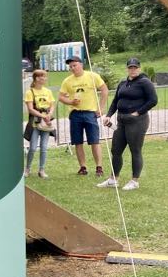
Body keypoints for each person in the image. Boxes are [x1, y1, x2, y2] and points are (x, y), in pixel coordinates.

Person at [99, 57, 158, 190]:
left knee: (135, 150)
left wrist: (138, 112)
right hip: (121, 121)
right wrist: (108, 115)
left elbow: (153, 100)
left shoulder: (145, 82)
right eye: (130, 67)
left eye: (135, 67)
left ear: (139, 68)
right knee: (116, 150)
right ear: (127, 69)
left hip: (137, 122)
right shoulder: (123, 83)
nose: (133, 70)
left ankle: (134, 181)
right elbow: (115, 101)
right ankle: (113, 179)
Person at [58, 55, 109, 177]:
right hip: (75, 114)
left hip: (90, 113)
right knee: (78, 142)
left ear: (81, 64)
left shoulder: (92, 76)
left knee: (94, 141)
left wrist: (101, 107)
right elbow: (61, 97)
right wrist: (71, 102)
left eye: (74, 65)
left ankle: (99, 167)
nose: (72, 68)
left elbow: (104, 90)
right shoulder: (67, 81)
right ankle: (83, 167)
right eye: (70, 66)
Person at [23, 68, 55, 179]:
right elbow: (30, 109)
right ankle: (27, 169)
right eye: (43, 76)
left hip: (46, 123)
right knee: (32, 148)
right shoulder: (30, 92)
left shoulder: (48, 91)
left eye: (45, 76)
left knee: (44, 147)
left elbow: (52, 105)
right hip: (35, 123)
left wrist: (49, 115)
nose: (45, 79)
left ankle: (41, 170)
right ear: (37, 78)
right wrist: (42, 116)